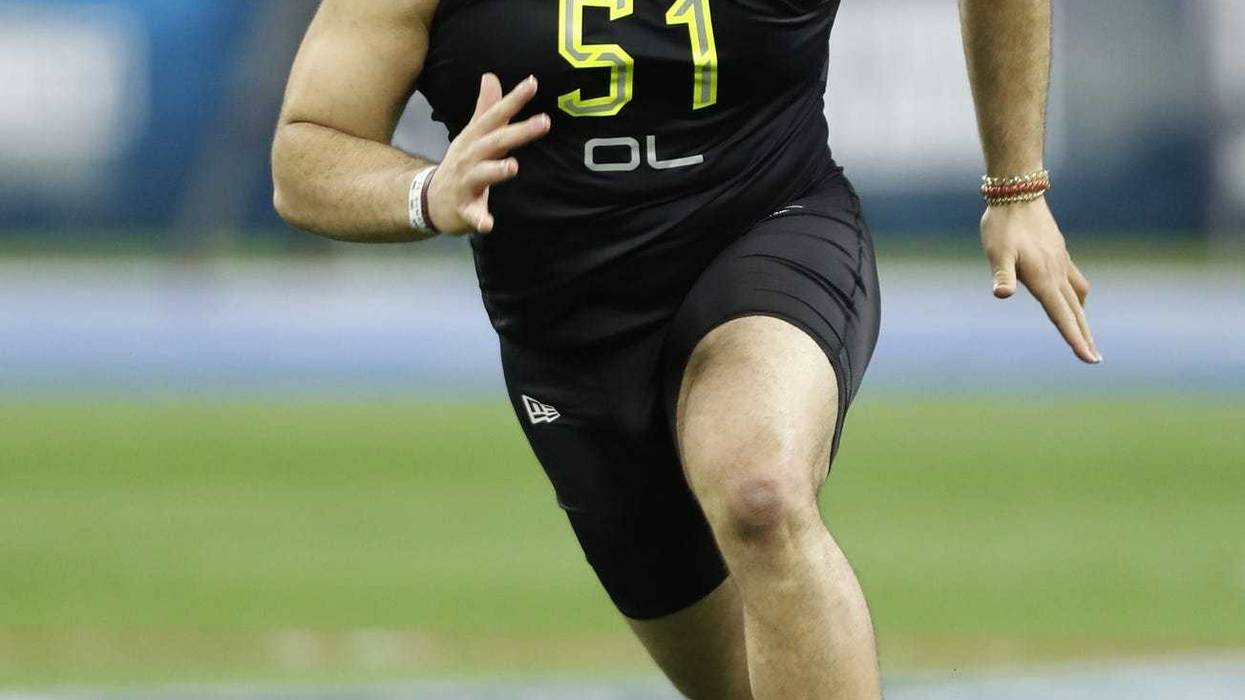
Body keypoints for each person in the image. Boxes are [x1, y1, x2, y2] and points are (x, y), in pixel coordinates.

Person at [271, 0, 1099, 697]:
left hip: (766, 228)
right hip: (568, 327)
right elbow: (306, 150)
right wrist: (425, 190)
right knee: (734, 681)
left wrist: (1015, 185)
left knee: (758, 492)